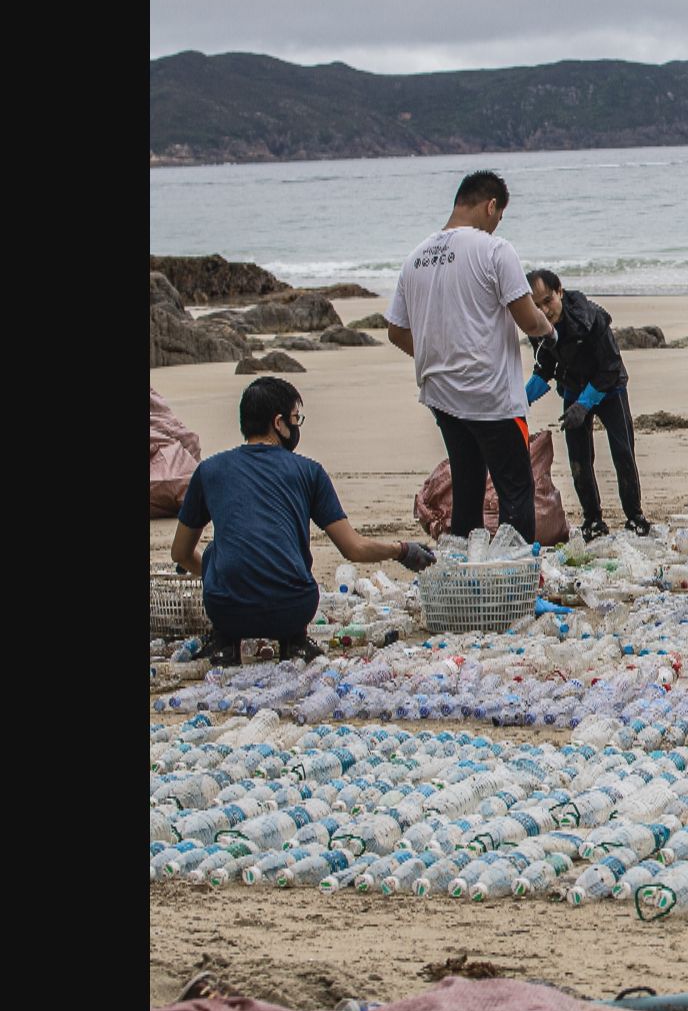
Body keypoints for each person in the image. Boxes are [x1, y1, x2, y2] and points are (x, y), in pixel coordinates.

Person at [171, 378, 436, 666]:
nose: (297, 427)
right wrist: (402, 549)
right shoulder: (309, 472)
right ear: (278, 423)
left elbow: (180, 554)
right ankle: (293, 641)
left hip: (227, 610)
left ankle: (226, 642)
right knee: (289, 555)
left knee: (214, 552)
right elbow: (354, 548)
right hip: (294, 609)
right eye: (296, 419)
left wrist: (217, 577)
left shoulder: (209, 470)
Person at [385, 170, 557, 544]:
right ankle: (517, 580)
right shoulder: (494, 250)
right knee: (516, 489)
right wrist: (550, 329)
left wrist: (435, 354)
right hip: (491, 395)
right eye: (498, 216)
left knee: (467, 485)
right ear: (490, 205)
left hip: (441, 395)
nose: (496, 225)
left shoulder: (415, 259)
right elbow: (527, 318)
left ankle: (464, 573)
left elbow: (396, 331)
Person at [523, 269, 652, 541]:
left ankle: (635, 517)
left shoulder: (590, 318)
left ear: (560, 291)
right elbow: (545, 367)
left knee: (623, 453)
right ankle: (593, 521)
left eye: (548, 301)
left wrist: (584, 405)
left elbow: (610, 366)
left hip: (609, 386)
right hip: (573, 386)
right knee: (579, 461)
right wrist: (519, 402)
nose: (544, 311)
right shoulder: (536, 325)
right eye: (536, 306)